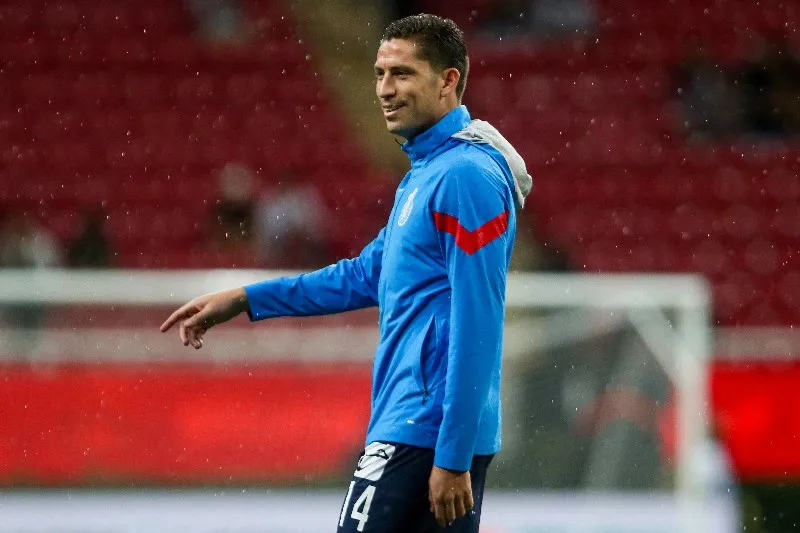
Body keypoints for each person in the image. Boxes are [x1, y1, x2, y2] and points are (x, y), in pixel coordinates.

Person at [161, 14, 532, 532]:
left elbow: (480, 320)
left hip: (424, 430)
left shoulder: (464, 176)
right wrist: (248, 297)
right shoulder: (427, 173)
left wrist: (453, 454)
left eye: (402, 73)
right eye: (379, 74)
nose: (384, 89)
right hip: (420, 426)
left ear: (448, 80)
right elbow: (363, 275)